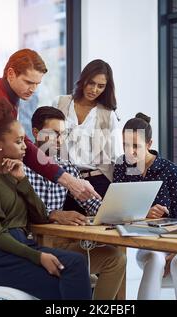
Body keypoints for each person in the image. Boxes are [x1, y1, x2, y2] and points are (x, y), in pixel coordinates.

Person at [0, 98, 91, 300]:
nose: (25, 147)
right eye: (18, 142)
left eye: (24, 140)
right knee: (62, 282)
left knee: (77, 263)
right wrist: (38, 256)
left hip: (19, 246)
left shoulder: (13, 173)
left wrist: (22, 181)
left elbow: (41, 216)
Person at [0, 49, 99, 204]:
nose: (33, 89)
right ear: (10, 74)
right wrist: (68, 180)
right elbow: (24, 147)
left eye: (37, 84)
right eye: (28, 82)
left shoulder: (4, 93)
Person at [24, 106, 126, 300]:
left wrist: (118, 211)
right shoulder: (20, 166)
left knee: (116, 259)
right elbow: (18, 211)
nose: (60, 140)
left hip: (60, 244)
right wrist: (53, 214)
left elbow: (92, 203)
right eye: (54, 133)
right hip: (31, 246)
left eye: (63, 134)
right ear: (36, 132)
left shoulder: (67, 167)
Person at [113, 113, 177, 300]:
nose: (129, 152)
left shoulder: (170, 171)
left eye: (136, 146)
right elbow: (117, 210)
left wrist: (176, 250)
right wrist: (144, 213)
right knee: (156, 259)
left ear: (149, 144)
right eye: (125, 145)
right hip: (150, 244)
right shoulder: (121, 167)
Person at [52, 59, 122, 214]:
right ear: (83, 80)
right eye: (91, 83)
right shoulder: (60, 103)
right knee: (65, 229)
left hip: (96, 181)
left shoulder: (108, 114)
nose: (94, 89)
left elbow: (116, 157)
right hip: (64, 179)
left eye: (101, 86)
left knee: (94, 232)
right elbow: (46, 139)